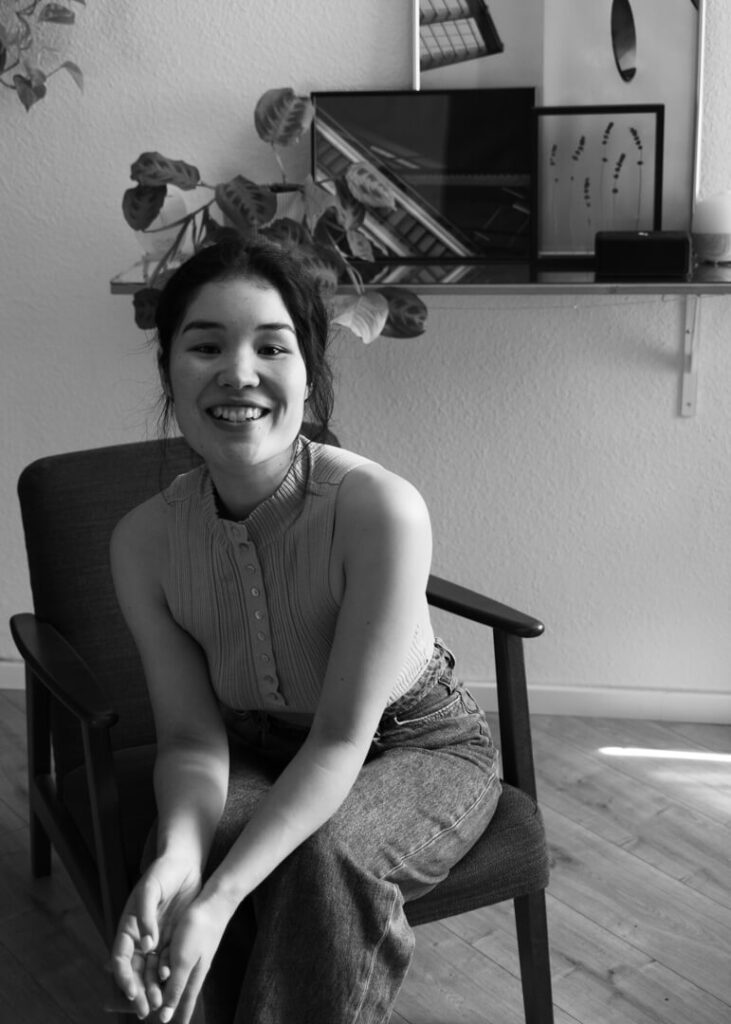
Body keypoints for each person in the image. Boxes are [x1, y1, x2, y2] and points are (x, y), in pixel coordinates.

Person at [108, 236, 501, 1024]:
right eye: (206, 345)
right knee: (180, 858)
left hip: (415, 744)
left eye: (270, 347)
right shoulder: (143, 540)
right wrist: (185, 859)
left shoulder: (379, 509)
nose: (238, 372)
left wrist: (219, 902)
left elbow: (337, 744)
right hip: (252, 738)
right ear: (169, 374)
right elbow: (188, 739)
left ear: (308, 375)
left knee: (322, 859)